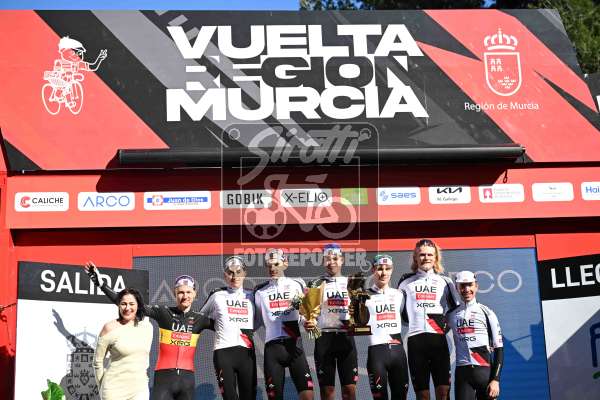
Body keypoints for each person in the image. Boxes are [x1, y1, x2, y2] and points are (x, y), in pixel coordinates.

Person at [84, 262, 212, 400]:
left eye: (188, 292)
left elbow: (225, 329)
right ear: (175, 293)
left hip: (187, 379)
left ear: (195, 294)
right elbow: (129, 306)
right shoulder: (164, 313)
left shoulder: (200, 319)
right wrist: (101, 284)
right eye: (180, 292)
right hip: (164, 377)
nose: (185, 296)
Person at [397, 239, 460, 400]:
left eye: (430, 255)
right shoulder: (405, 281)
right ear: (415, 258)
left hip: (438, 341)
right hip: (416, 342)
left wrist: (444, 326)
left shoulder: (445, 282)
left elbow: (456, 310)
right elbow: (398, 311)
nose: (426, 258)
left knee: (443, 393)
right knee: (422, 395)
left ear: (436, 257)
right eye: (422, 254)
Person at [253, 248, 314, 400]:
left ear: (285, 263)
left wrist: (307, 322)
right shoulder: (260, 291)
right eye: (269, 265)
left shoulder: (297, 284)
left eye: (276, 264)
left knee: (308, 396)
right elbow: (257, 321)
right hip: (273, 348)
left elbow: (304, 313)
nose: (272, 268)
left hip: (294, 344)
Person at [304, 243, 357, 400]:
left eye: (335, 258)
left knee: (349, 391)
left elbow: (361, 314)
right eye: (327, 259)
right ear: (323, 261)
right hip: (324, 339)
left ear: (342, 260)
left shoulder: (351, 283)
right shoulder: (315, 284)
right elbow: (309, 317)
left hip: (346, 337)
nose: (331, 262)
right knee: (327, 392)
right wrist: (309, 324)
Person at [200, 256, 257, 400]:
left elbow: (263, 320)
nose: (234, 276)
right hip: (223, 352)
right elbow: (199, 319)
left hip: (247, 353)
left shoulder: (253, 295)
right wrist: (218, 326)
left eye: (238, 272)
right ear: (225, 275)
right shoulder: (217, 294)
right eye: (230, 272)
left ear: (245, 273)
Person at [448, 271, 503, 400]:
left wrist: (495, 380)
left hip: (484, 373)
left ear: (476, 286)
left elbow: (499, 349)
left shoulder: (487, 312)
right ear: (457, 288)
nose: (467, 289)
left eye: (470, 285)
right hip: (462, 374)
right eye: (462, 286)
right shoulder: (450, 315)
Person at [363, 255, 409, 400]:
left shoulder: (400, 295)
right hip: (377, 353)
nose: (383, 273)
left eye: (387, 269)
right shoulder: (364, 296)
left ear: (392, 270)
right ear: (373, 270)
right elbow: (357, 324)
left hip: (398, 352)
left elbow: (409, 320)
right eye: (379, 269)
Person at [94, 288, 153, 400]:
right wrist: (101, 386)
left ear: (138, 305)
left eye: (131, 304)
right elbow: (97, 362)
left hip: (140, 390)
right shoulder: (109, 328)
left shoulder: (147, 327)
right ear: (118, 305)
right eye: (123, 304)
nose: (127, 308)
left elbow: (144, 358)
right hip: (113, 390)